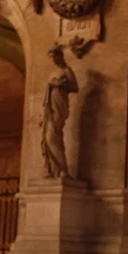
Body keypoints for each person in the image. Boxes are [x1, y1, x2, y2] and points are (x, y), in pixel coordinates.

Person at [40, 44, 79, 178]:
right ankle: (52, 168)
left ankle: (62, 169)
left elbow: (75, 87)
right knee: (48, 136)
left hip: (59, 106)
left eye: (54, 57)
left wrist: (60, 84)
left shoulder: (67, 70)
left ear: (59, 56)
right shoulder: (52, 73)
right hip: (49, 106)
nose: (53, 60)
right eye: (51, 58)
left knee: (53, 136)